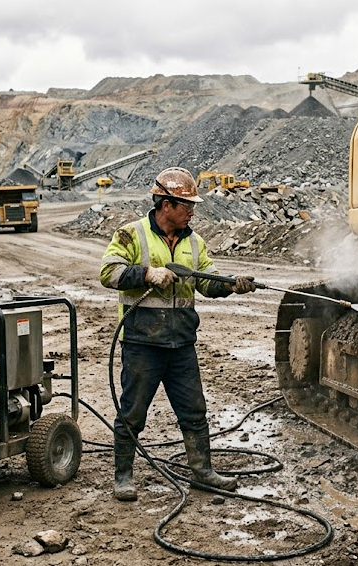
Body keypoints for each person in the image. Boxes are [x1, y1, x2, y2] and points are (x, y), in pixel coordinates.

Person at [99, 166, 257, 502]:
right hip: (142, 343)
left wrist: (231, 285)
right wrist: (148, 274)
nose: (192, 212)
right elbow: (108, 272)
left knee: (194, 411)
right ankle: (123, 477)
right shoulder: (131, 234)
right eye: (187, 206)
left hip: (181, 344)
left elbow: (206, 281)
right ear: (166, 204)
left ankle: (202, 472)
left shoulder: (194, 242)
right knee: (132, 413)